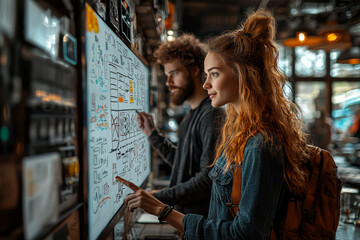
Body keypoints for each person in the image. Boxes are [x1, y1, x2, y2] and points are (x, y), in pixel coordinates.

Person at [125, 10, 311, 239]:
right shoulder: (237, 133)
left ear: (243, 75)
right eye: (206, 75)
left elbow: (246, 234)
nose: (205, 84)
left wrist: (161, 208)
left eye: (214, 74)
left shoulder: (261, 144)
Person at [136, 34, 224, 216]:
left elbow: (207, 180)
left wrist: (160, 197)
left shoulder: (211, 114)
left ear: (194, 69)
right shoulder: (191, 116)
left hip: (203, 223)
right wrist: (152, 134)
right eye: (167, 75)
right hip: (189, 220)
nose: (168, 83)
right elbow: (183, 162)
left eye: (174, 74)